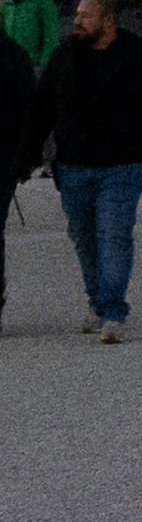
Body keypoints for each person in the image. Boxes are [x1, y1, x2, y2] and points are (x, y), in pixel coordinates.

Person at [14, 0, 142, 339]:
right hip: (72, 167)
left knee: (114, 236)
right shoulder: (65, 56)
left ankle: (113, 312)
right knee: (84, 239)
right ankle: (97, 301)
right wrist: (26, 158)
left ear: (109, 21)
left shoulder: (137, 58)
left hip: (123, 166)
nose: (78, 21)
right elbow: (40, 111)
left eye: (86, 16)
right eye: (78, 15)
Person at [0, 19, 34, 328]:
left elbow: (30, 111)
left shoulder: (12, 56)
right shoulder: (14, 54)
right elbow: (29, 110)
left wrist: (26, 158)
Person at [1, 0, 60, 76]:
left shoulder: (42, 1)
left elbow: (51, 35)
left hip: (33, 66)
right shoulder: (8, 3)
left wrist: (43, 65)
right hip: (9, 66)